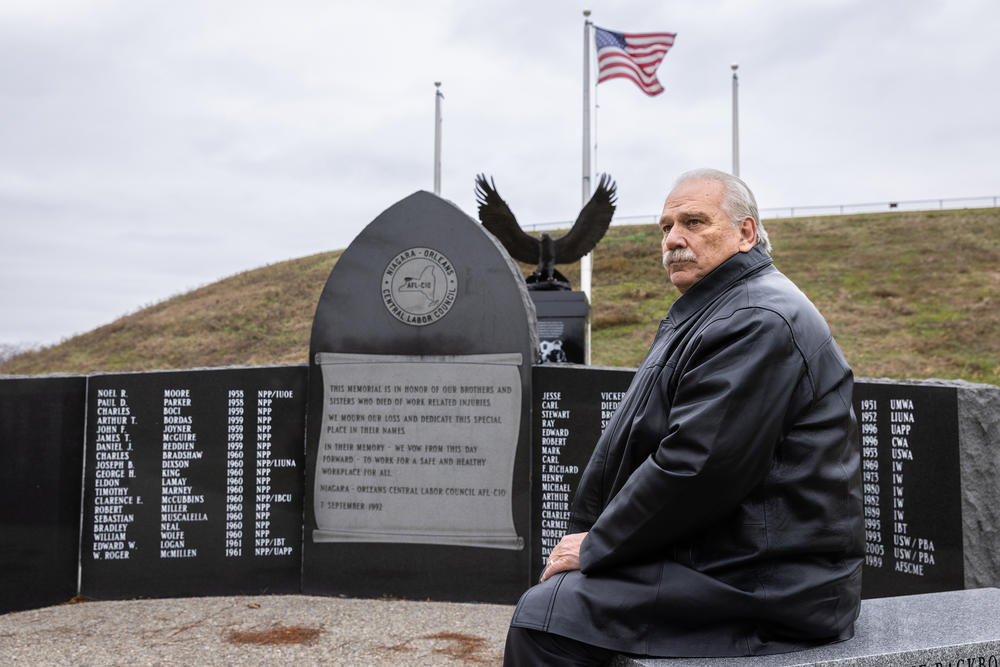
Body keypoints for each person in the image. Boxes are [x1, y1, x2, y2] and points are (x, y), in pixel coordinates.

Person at [503, 169, 863, 665]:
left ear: (746, 233)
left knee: (545, 621)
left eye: (695, 222)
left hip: (771, 584)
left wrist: (599, 545)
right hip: (730, 558)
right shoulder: (717, 308)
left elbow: (699, 466)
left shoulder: (756, 319)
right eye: (666, 226)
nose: (674, 238)